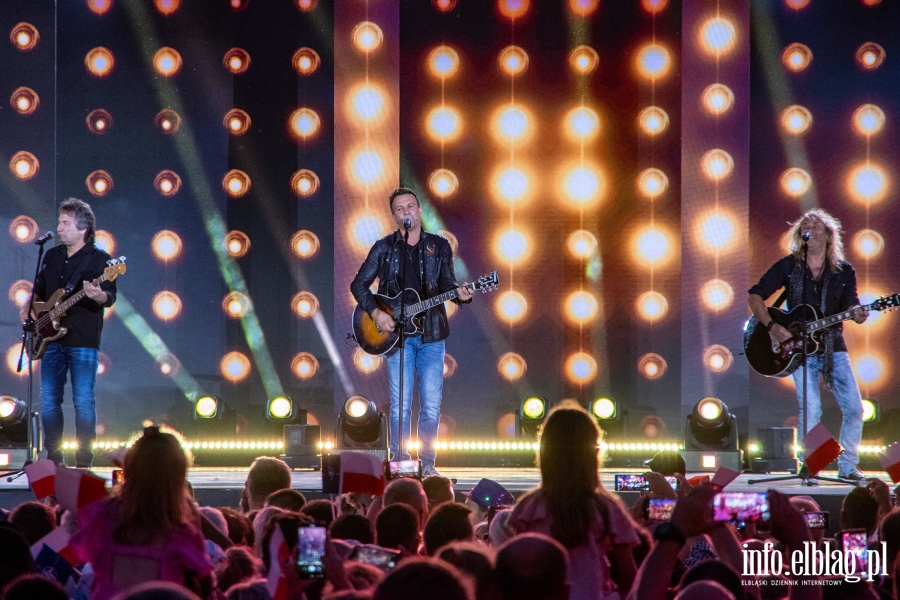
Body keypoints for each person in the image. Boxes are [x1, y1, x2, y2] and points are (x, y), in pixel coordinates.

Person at [350, 187, 473, 476]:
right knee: (400, 406)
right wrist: (378, 312)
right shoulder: (384, 247)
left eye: (410, 206)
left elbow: (447, 285)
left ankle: (427, 464)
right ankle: (399, 462)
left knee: (431, 406)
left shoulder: (439, 246)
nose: (406, 212)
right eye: (400, 209)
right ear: (394, 216)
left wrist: (461, 295)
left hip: (431, 335)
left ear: (419, 210)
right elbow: (358, 284)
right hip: (397, 339)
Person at [748, 209, 868, 483]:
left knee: (854, 408)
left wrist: (858, 312)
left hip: (833, 348)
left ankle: (848, 466)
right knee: (811, 409)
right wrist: (772, 326)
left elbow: (852, 302)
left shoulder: (843, 270)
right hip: (799, 351)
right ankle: (810, 466)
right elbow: (755, 295)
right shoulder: (789, 266)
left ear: (828, 235)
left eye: (816, 225)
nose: (809, 229)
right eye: (805, 225)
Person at [20, 198, 117, 468]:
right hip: (49, 338)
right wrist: (28, 308)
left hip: (82, 339)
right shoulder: (51, 256)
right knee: (50, 400)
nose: (59, 228)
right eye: (60, 222)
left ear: (82, 228)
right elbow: (39, 290)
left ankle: (84, 461)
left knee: (83, 400)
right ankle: (54, 459)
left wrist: (98, 295)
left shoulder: (101, 261)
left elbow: (110, 296)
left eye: (65, 223)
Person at [509, 402, 640, 600]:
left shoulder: (529, 507)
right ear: (593, 454)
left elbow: (515, 568)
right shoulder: (605, 507)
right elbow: (630, 575)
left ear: (546, 452)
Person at [69, 427, 214, 600]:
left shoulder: (101, 519)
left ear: (128, 472)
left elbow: (76, 554)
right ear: (178, 481)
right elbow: (208, 583)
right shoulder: (182, 536)